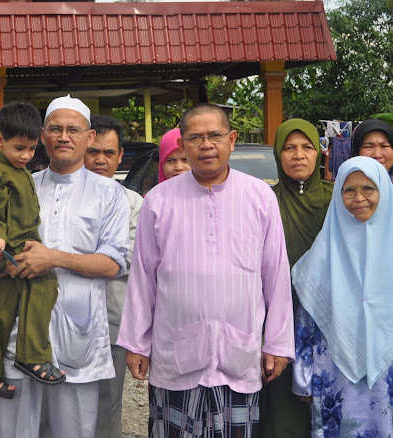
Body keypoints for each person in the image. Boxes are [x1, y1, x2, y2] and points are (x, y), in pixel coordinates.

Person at [117, 103, 294, 437]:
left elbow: (276, 276)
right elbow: (142, 278)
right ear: (182, 146)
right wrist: (137, 344)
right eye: (195, 137)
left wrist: (278, 344)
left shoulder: (260, 197)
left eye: (215, 135)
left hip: (239, 355)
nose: (206, 145)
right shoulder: (159, 200)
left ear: (232, 139)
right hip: (176, 355)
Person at [0, 95, 129, 438]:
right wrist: (3, 261)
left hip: (77, 335)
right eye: (55, 129)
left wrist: (53, 258)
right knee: (15, 430)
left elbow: (113, 263)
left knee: (75, 430)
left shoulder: (110, 193)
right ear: (42, 135)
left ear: (90, 137)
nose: (63, 137)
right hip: (20, 331)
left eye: (73, 130)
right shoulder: (22, 186)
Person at [0, 101, 65, 400]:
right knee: (44, 283)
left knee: (3, 308)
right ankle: (32, 354)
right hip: (9, 247)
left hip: (18, 244)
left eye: (32, 149)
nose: (26, 156)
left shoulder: (18, 168)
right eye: (19, 148)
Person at [291, 156, 393, 437]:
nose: (358, 198)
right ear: (338, 195)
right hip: (334, 372)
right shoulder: (324, 252)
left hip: (388, 374)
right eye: (349, 190)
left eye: (368, 189)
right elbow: (306, 320)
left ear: (383, 191)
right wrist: (303, 377)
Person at [259, 119, 333, 437]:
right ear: (278, 154)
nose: (298, 155)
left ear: (319, 154)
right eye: (289, 147)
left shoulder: (338, 201)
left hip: (329, 318)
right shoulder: (265, 201)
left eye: (306, 147)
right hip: (277, 314)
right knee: (280, 402)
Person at [83, 114, 143, 438]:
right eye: (94, 152)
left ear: (120, 156)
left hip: (112, 321)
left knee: (107, 407)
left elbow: (130, 258)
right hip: (61, 319)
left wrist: (70, 257)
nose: (100, 160)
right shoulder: (61, 198)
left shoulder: (133, 203)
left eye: (109, 153)